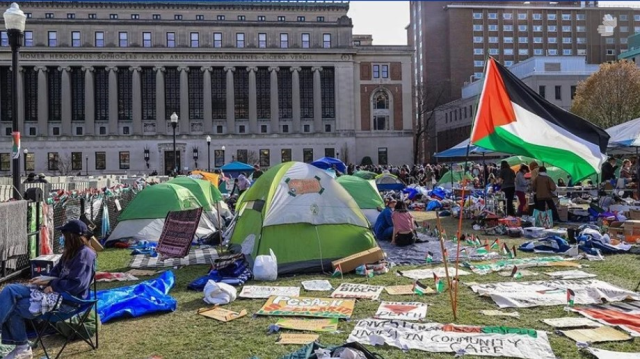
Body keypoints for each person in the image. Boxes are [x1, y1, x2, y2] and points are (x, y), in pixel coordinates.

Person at [0, 220, 96, 359]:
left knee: (14, 308)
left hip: (68, 302)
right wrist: (43, 279)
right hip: (52, 292)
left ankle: (22, 348)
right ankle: (21, 346)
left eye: (63, 235)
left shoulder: (85, 254)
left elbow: (77, 285)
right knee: (10, 289)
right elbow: (55, 272)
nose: (62, 237)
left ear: (71, 236)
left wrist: (53, 285)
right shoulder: (70, 252)